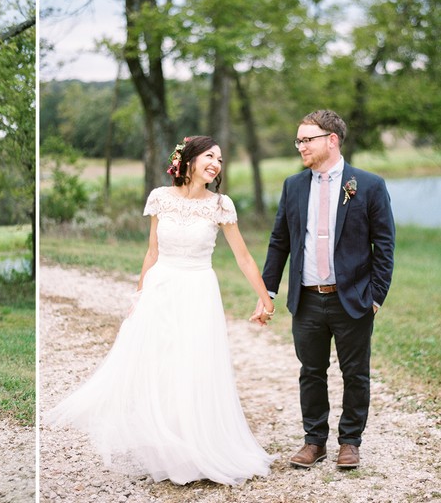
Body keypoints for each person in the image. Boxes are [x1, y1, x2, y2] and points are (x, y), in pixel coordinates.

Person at [46, 135, 276, 486]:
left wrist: (265, 297)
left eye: (220, 159)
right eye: (209, 156)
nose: (216, 163)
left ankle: (200, 449)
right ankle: (170, 450)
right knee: (162, 367)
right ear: (189, 160)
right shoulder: (159, 198)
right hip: (161, 289)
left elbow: (243, 257)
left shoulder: (220, 205)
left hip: (198, 291)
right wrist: (139, 296)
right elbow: (152, 253)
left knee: (194, 367)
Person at [254, 110, 395, 470]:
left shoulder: (369, 185)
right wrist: (267, 292)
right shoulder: (293, 185)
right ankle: (314, 441)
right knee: (311, 371)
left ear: (331, 140)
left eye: (307, 139)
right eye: (298, 140)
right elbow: (279, 242)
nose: (300, 146)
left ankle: (350, 442)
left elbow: (385, 245)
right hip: (307, 299)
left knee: (355, 373)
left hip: (352, 299)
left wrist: (375, 296)